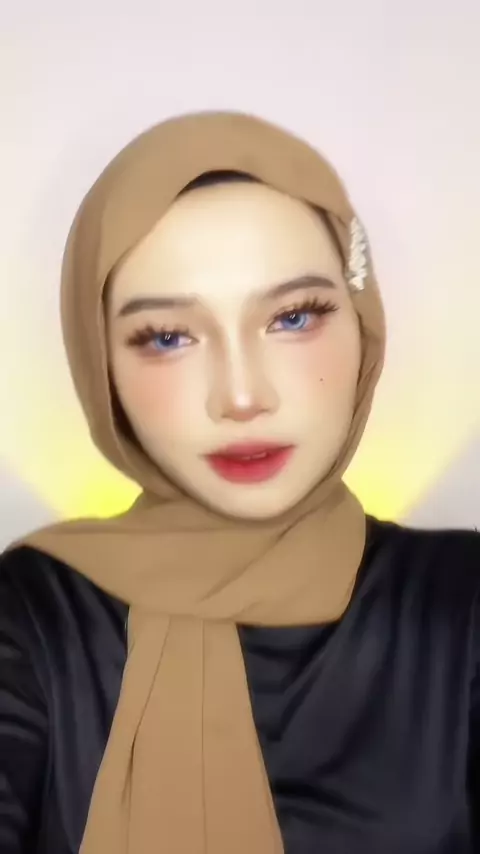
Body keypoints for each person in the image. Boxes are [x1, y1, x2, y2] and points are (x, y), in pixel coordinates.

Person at [0, 111, 479, 854]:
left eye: (293, 318)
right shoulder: (34, 617)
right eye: (167, 337)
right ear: (102, 365)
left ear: (361, 326)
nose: (243, 396)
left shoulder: (461, 604)